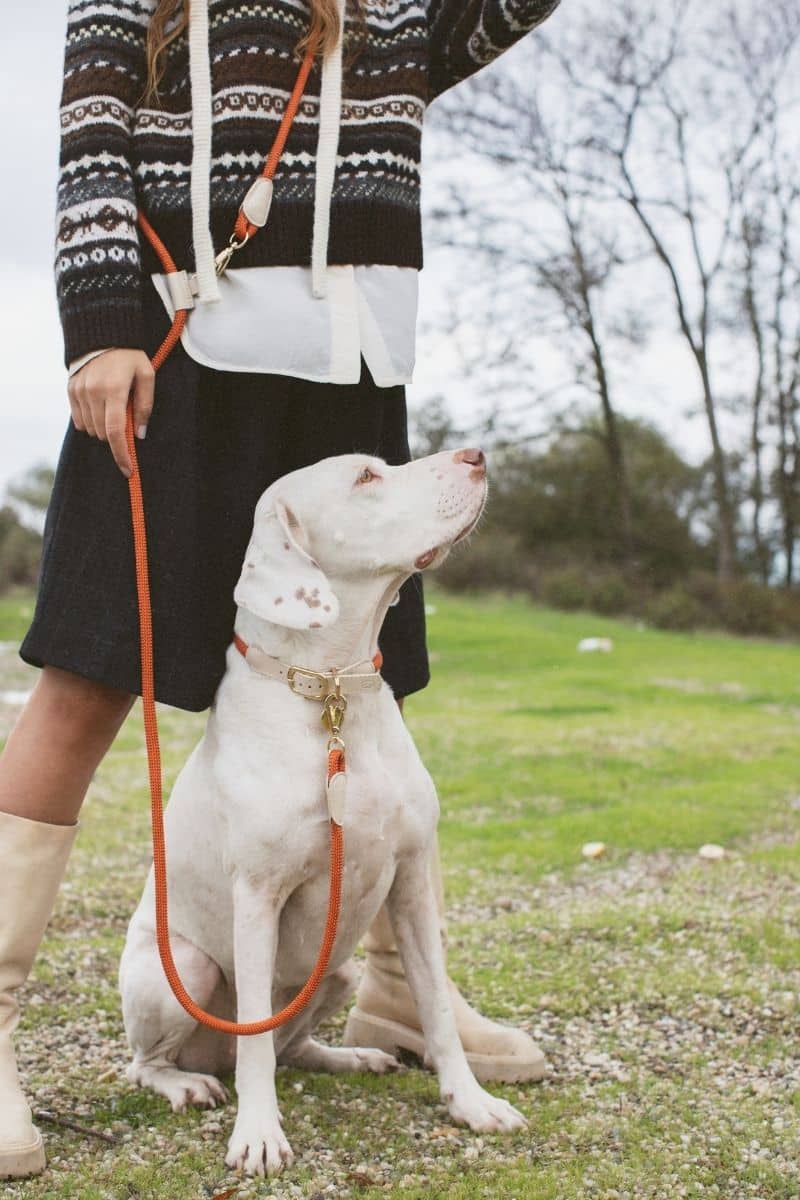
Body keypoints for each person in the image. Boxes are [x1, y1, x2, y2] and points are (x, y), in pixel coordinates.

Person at [0, 0, 561, 1179]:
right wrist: (97, 322)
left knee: (373, 676)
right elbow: (93, 129)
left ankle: (397, 991)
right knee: (87, 675)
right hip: (179, 339)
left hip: (351, 349)